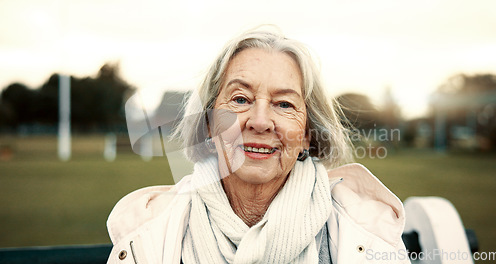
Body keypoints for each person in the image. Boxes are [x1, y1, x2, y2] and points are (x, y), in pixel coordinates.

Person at [106, 28, 410, 264]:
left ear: (307, 134)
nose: (261, 121)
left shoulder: (368, 231)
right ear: (209, 124)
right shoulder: (149, 232)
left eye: (284, 104)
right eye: (240, 99)